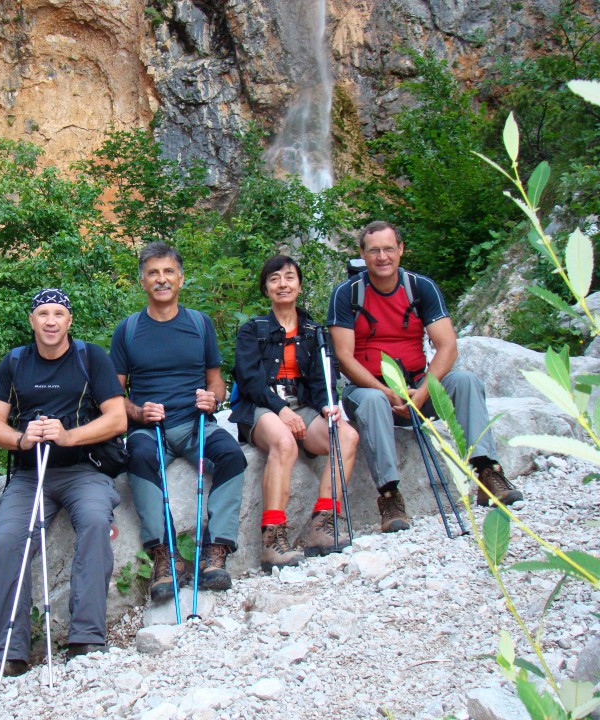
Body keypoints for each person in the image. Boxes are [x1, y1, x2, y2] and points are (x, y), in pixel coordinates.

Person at [327, 221, 523, 533]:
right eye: (374, 250)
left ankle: (487, 472)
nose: (382, 257)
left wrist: (422, 391)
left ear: (401, 250)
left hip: (420, 384)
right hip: (367, 389)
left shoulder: (420, 287)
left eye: (389, 249)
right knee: (375, 399)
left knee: (466, 381)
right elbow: (345, 358)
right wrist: (386, 390)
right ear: (362, 254)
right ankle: (389, 495)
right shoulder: (346, 294)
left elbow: (447, 346)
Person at [0, 288, 126, 678]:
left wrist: (68, 436)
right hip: (30, 475)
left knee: (96, 523)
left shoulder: (90, 357)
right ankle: (11, 652)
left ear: (69, 320)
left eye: (58, 314)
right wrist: (22, 439)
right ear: (32, 321)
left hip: (83, 469)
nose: (50, 321)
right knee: (9, 540)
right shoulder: (15, 362)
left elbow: (117, 419)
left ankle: (86, 638)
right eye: (42, 313)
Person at [111, 242, 247, 601]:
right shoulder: (127, 331)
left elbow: (215, 379)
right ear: (142, 281)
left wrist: (213, 397)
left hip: (194, 424)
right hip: (148, 429)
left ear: (181, 279)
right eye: (153, 273)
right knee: (137, 459)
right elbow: (114, 397)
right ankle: (166, 556)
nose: (161, 279)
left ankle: (215, 551)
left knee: (232, 455)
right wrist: (138, 412)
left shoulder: (199, 324)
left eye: (168, 272)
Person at [231, 255, 359, 570]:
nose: (282, 284)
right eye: (274, 279)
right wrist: (280, 411)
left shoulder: (315, 331)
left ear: (299, 285)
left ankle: (323, 522)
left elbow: (322, 379)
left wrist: (328, 404)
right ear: (266, 288)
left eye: (289, 277)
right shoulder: (252, 330)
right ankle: (272, 539)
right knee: (285, 443)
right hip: (260, 407)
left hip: (302, 407)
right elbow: (248, 380)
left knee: (346, 435)